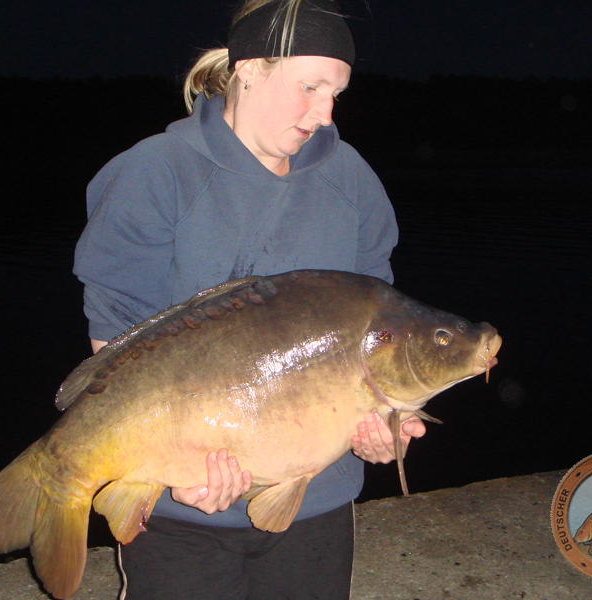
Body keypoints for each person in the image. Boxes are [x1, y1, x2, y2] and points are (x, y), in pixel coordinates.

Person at [73, 1, 426, 598]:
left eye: (336, 93)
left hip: (316, 505)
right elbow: (116, 338)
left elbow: (379, 330)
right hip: (179, 517)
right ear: (249, 69)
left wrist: (386, 423)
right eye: (310, 87)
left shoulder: (352, 181)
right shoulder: (156, 172)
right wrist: (178, 470)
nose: (325, 113)